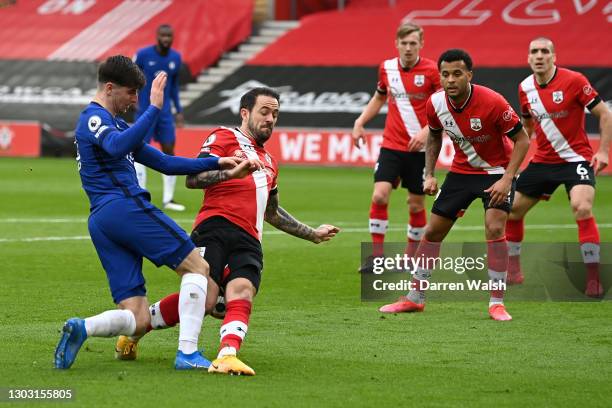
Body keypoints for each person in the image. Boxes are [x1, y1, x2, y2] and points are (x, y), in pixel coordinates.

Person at [113, 87, 340, 376]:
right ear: (245, 113)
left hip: (250, 238)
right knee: (206, 298)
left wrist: (312, 233)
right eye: (265, 112)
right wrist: (231, 173)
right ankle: (135, 331)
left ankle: (227, 354)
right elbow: (194, 179)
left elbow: (271, 212)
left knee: (242, 290)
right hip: (215, 227)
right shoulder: (223, 136)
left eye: (275, 114)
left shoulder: (270, 162)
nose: (271, 119)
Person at [53, 55, 260, 370]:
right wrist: (154, 108)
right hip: (123, 208)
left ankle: (83, 327)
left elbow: (164, 162)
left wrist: (217, 163)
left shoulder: (116, 123)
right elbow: (117, 146)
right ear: (109, 88)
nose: (134, 99)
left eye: (139, 93)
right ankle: (188, 353)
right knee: (198, 268)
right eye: (130, 92)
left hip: (103, 221)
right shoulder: (93, 119)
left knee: (136, 318)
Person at [378, 49, 530, 321]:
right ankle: (415, 297)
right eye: (445, 74)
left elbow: (523, 140)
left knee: (494, 227)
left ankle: (496, 302)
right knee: (433, 231)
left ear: (469, 75)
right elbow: (434, 138)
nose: (450, 80)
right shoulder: (434, 104)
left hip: (496, 172)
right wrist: (429, 174)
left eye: (457, 74)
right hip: (461, 173)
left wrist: (507, 179)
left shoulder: (493, 102)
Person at [505, 37, 612, 297]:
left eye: (544, 51)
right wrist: (520, 159)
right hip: (543, 161)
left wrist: (603, 151)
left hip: (575, 159)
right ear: (528, 58)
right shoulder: (525, 87)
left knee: (582, 207)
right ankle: (514, 271)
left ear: (554, 56)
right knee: (511, 211)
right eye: (534, 51)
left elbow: (605, 114)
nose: (539, 56)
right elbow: (528, 127)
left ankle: (593, 278)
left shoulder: (575, 81)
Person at [352, 22, 441, 272]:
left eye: (413, 43)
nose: (409, 48)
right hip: (391, 145)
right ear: (397, 44)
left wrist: (427, 131)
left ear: (421, 45)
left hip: (421, 151)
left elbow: (444, 105)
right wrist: (360, 122)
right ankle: (376, 258)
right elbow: (380, 96)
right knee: (379, 195)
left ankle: (411, 258)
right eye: (404, 43)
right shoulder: (387, 68)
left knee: (415, 204)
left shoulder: (433, 71)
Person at [133, 24, 186, 211]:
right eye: (163, 35)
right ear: (157, 36)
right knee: (138, 151)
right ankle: (141, 195)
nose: (166, 39)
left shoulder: (176, 58)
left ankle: (168, 199)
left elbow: (174, 86)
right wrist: (133, 99)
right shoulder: (142, 55)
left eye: (169, 36)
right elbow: (132, 78)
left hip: (164, 113)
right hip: (145, 110)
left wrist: (178, 110)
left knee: (169, 150)